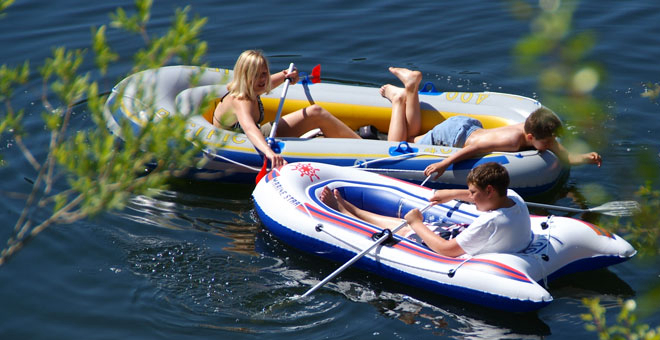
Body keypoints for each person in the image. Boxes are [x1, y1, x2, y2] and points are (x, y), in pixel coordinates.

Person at [378, 67, 602, 179]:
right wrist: (444, 163)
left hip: (469, 128)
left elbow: (565, 156)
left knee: (414, 135)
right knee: (402, 141)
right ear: (531, 138)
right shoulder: (513, 141)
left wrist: (586, 158)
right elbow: (473, 149)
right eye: (548, 140)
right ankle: (398, 99)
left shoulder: (540, 136)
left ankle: (411, 86)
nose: (552, 142)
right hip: (456, 136)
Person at [319, 162, 531, 258]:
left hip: (455, 245)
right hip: (465, 233)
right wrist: (451, 194)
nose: (471, 197)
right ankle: (351, 208)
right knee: (399, 222)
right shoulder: (514, 198)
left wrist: (415, 223)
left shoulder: (490, 222)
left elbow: (448, 250)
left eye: (473, 192)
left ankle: (346, 213)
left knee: (403, 229)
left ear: (490, 190)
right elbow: (478, 196)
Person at [213, 49, 359, 167]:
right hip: (240, 145)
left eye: (264, 73)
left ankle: (362, 145)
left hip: (257, 134)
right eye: (256, 75)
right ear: (245, 76)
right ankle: (363, 149)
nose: (263, 79)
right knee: (315, 113)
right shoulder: (240, 100)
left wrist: (288, 75)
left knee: (315, 112)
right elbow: (250, 129)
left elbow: (276, 79)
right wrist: (269, 153)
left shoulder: (254, 86)